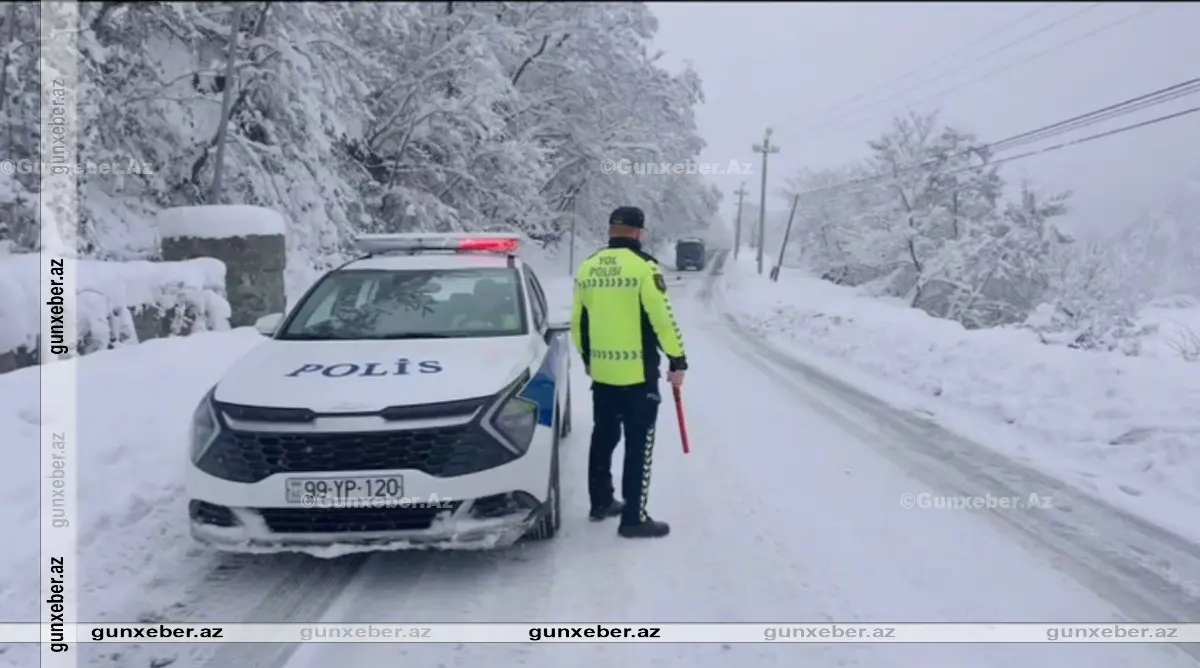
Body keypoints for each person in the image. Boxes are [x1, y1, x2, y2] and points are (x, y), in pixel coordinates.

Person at [569, 206, 687, 539]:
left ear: (611, 231)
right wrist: (678, 360)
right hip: (638, 376)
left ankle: (601, 501)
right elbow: (662, 319)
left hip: (603, 374)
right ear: (639, 232)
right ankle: (634, 518)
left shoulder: (588, 267)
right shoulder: (645, 267)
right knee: (639, 444)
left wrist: (589, 360)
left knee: (603, 436)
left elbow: (578, 323)